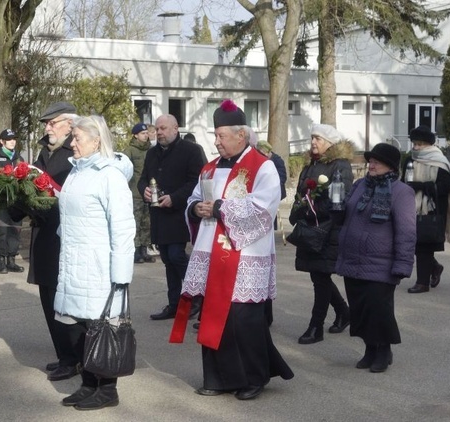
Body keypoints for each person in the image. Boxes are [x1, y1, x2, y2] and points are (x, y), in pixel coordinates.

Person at [171, 99, 293, 399]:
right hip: (212, 252)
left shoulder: (262, 167)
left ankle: (254, 377)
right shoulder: (209, 169)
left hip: (246, 254)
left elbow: (264, 209)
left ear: (241, 135)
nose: (216, 141)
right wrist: (195, 208)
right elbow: (195, 199)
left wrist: (222, 207)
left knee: (243, 319)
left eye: (221, 136)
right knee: (214, 315)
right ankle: (219, 378)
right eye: (215, 135)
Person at [55, 115, 135, 410]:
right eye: (72, 137)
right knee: (78, 325)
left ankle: (108, 389)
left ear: (96, 141)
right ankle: (89, 383)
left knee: (103, 326)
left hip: (100, 264)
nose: (71, 143)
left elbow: (124, 227)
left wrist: (121, 273)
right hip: (75, 260)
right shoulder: (77, 171)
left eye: (77, 138)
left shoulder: (109, 175)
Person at [9, 101, 80, 381]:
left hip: (65, 237)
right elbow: (33, 188)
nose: (48, 127)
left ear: (70, 124)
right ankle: (64, 355)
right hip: (44, 237)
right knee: (48, 299)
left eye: (53, 122)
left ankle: (75, 357)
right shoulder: (44, 152)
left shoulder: (74, 153)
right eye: (46, 123)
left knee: (64, 302)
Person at [335, 143, 416, 373]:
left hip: (381, 263)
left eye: (376, 161)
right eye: (370, 160)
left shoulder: (402, 192)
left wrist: (402, 264)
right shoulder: (360, 185)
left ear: (390, 166)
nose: (371, 164)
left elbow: (407, 231)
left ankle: (383, 351)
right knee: (360, 309)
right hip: (353, 260)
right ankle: (370, 349)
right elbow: (348, 216)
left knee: (379, 310)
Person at [138, 114, 206, 321]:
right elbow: (143, 180)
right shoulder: (151, 153)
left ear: (176, 129)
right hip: (159, 214)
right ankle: (175, 304)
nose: (159, 132)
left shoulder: (191, 151)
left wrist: (175, 198)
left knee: (177, 255)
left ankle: (196, 295)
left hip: (181, 214)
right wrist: (144, 192)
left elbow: (197, 181)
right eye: (157, 129)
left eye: (163, 128)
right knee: (167, 259)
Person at [289, 124, 353, 344]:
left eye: (318, 138)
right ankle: (344, 312)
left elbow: (341, 197)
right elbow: (301, 192)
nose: (313, 142)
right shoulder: (310, 163)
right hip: (310, 227)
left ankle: (316, 327)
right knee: (319, 275)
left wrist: (316, 209)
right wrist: (298, 210)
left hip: (328, 229)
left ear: (330, 142)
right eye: (312, 138)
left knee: (320, 278)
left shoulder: (340, 165)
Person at [402, 125, 450, 293]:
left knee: (424, 245)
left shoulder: (440, 161)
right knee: (415, 245)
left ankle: (422, 283)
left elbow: (445, 187)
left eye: (420, 144)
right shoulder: (409, 160)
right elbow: (403, 181)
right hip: (411, 207)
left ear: (429, 144)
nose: (416, 148)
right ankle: (435, 268)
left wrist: (422, 186)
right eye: (414, 144)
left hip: (433, 209)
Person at [0, 128, 26, 274]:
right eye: (9, 139)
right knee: (2, 231)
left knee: (15, 230)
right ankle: (1, 261)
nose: (12, 141)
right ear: (1, 141)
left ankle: (11, 260)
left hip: (16, 201)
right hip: (2, 201)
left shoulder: (19, 158)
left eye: (14, 139)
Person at [123, 123, 155, 264]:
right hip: (134, 192)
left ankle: (144, 249)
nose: (146, 135)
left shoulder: (152, 150)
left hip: (149, 192)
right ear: (135, 135)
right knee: (135, 222)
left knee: (146, 223)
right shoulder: (130, 151)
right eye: (142, 133)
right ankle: (135, 251)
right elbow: (123, 170)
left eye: (146, 133)